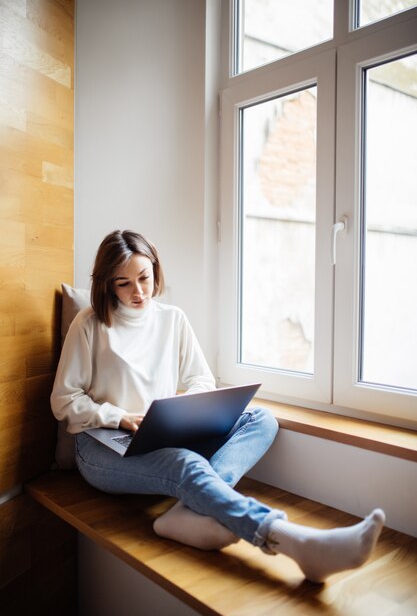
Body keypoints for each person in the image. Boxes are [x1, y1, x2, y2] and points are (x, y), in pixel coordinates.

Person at [51, 229, 385, 583]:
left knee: (261, 418)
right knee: (185, 463)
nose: (138, 292)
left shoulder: (172, 319)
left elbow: (201, 380)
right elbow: (64, 400)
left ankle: (187, 510)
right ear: (106, 285)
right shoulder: (89, 325)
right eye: (123, 283)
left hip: (161, 433)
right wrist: (117, 417)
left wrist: (182, 408)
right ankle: (293, 541)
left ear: (155, 270)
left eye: (144, 278)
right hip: (102, 445)